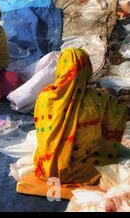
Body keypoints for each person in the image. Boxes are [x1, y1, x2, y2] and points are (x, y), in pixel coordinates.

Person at [33, 48, 128, 185]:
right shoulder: (100, 99)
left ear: (61, 68)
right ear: (87, 70)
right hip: (83, 169)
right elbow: (121, 112)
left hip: (47, 167)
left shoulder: (45, 97)